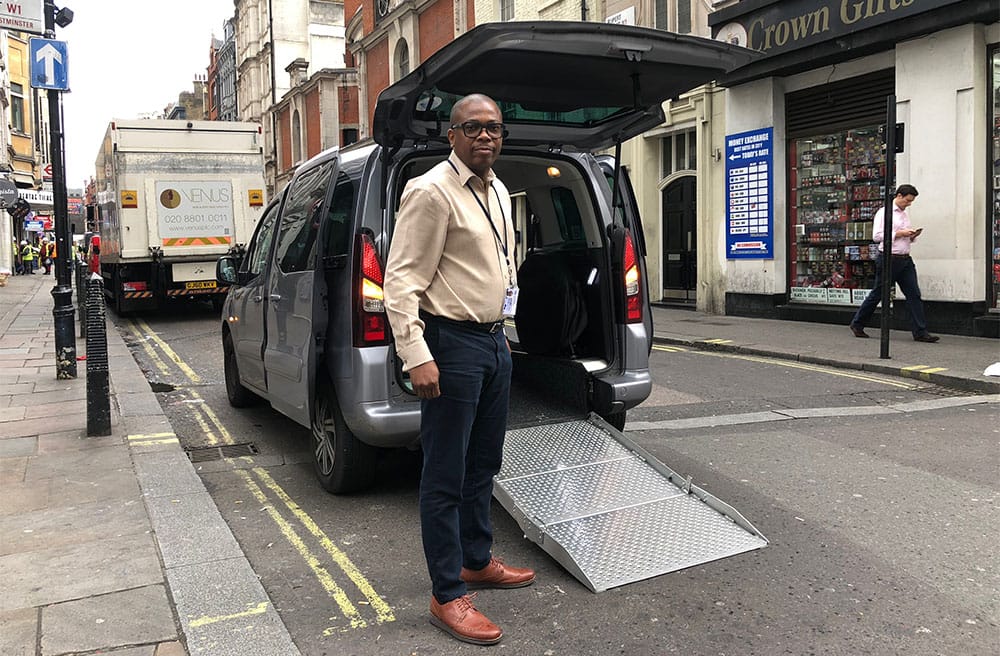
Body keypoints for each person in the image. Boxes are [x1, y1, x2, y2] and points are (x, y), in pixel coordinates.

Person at [383, 93, 534, 646]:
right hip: (450, 344)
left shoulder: (497, 190)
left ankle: (476, 559)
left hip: (494, 342)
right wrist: (417, 354)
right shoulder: (430, 192)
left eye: (494, 127)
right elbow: (401, 281)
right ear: (452, 135)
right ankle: (447, 593)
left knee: (484, 463)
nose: (485, 136)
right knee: (445, 473)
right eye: (473, 127)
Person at [849, 184, 939, 342]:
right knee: (878, 293)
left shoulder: (904, 214)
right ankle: (857, 323)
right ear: (899, 196)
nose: (909, 204)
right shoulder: (884, 212)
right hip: (889, 258)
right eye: (907, 200)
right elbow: (877, 236)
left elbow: (903, 236)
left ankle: (920, 332)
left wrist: (911, 235)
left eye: (911, 201)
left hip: (905, 259)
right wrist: (899, 233)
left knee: (914, 294)